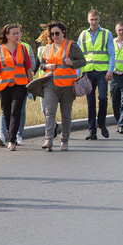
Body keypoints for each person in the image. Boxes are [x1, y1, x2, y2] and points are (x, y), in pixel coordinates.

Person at [0, 23, 33, 151]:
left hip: (20, 84)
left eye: (18, 33)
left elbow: (28, 68)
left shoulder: (23, 49)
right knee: (6, 113)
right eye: (14, 33)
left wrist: (31, 85)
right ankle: (11, 135)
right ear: (7, 36)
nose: (17, 35)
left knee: (16, 111)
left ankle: (12, 140)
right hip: (4, 85)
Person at [40, 21, 86, 151]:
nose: (54, 36)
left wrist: (72, 63)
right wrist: (46, 66)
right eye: (52, 34)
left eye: (57, 33)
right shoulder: (48, 47)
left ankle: (64, 140)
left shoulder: (71, 46)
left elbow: (83, 61)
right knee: (49, 113)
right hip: (50, 85)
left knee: (66, 115)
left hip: (67, 86)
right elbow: (41, 64)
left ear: (63, 32)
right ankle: (48, 140)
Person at [77, 9, 115, 140]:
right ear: (88, 20)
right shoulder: (82, 35)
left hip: (102, 72)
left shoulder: (106, 33)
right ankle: (92, 130)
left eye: (96, 19)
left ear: (99, 20)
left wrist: (110, 70)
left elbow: (111, 53)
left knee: (103, 98)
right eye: (91, 19)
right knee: (90, 101)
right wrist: (77, 74)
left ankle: (102, 123)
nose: (93, 22)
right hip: (88, 72)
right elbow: (78, 56)